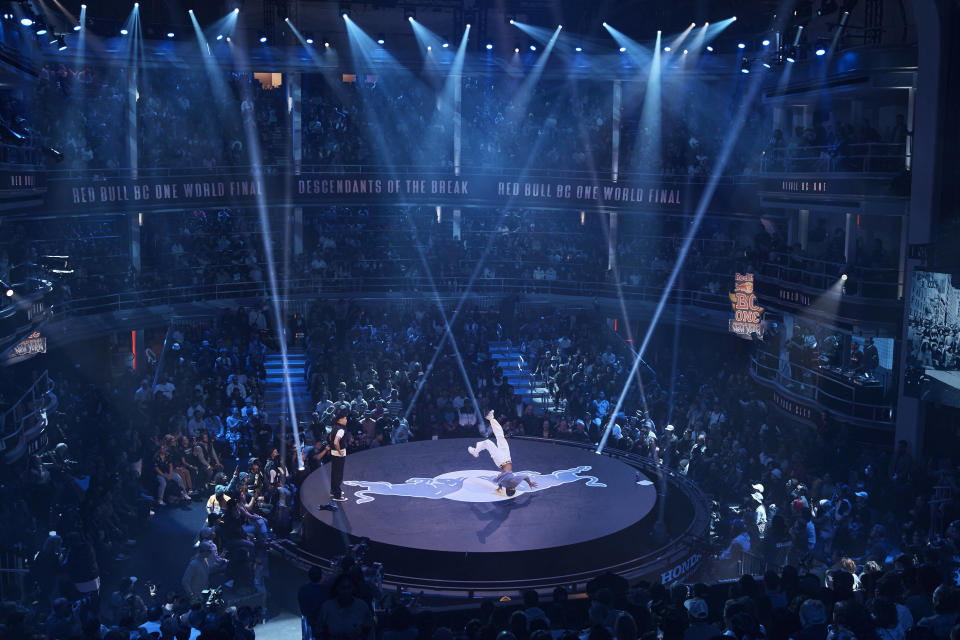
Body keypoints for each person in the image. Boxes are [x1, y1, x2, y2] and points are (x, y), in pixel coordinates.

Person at [468, 411, 537, 497]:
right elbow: (500, 479)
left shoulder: (513, 483)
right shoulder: (505, 484)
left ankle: (475, 452)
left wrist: (530, 483)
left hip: (501, 460)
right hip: (506, 458)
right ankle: (491, 418)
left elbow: (525, 476)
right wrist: (500, 487)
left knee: (488, 442)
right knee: (500, 436)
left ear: (512, 489)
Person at [329, 414, 349, 502]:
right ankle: (337, 495)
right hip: (339, 454)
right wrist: (340, 451)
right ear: (339, 420)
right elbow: (336, 442)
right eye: (345, 418)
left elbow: (330, 437)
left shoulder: (334, 427)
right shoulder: (341, 429)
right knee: (338, 475)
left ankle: (333, 491)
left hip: (333, 453)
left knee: (334, 472)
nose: (346, 420)